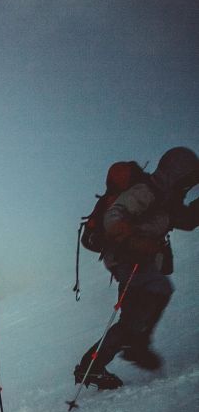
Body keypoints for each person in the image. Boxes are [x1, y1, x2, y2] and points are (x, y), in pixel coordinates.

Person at [74, 146, 199, 389]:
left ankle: (92, 367)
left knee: (131, 318)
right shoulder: (148, 190)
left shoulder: (167, 198)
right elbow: (113, 218)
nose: (188, 187)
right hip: (129, 259)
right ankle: (136, 345)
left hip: (133, 261)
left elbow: (186, 220)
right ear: (178, 174)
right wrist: (135, 242)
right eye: (188, 180)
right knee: (159, 289)